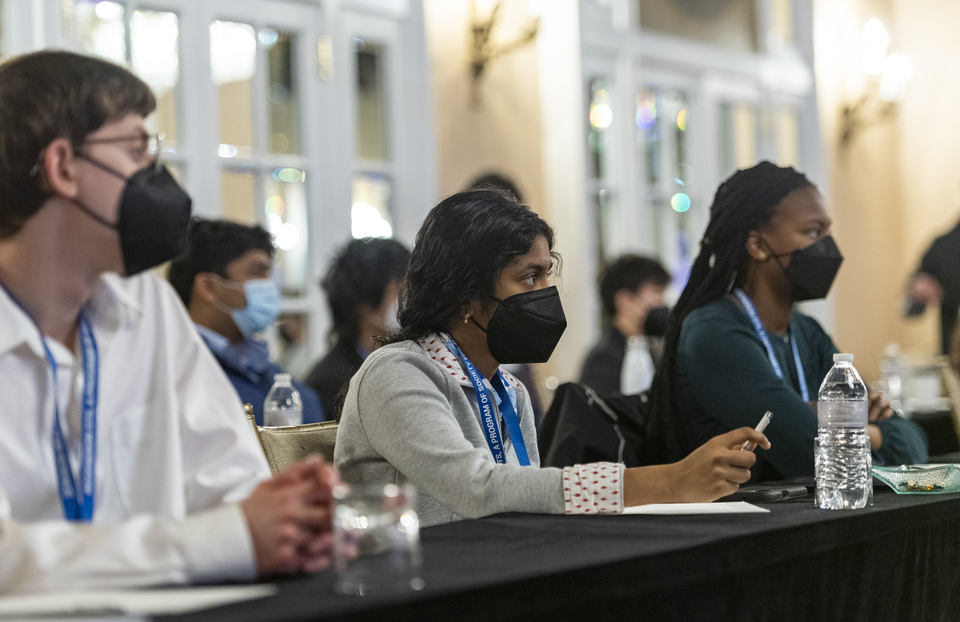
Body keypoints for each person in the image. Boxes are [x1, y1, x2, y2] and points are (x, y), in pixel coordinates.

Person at [0, 50, 336, 593]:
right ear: (62, 167)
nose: (156, 174)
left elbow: (231, 484)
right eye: (136, 150)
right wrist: (218, 541)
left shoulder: (150, 310)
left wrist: (291, 519)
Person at [334, 189, 769, 527]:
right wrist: (669, 481)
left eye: (547, 273)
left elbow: (524, 506)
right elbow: (477, 489)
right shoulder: (397, 372)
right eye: (529, 277)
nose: (546, 293)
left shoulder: (510, 391)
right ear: (466, 294)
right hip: (403, 590)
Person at [651, 161, 928, 483]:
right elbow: (815, 456)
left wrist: (846, 427)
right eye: (813, 232)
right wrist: (857, 428)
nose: (828, 248)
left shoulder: (806, 332)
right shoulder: (714, 334)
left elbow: (915, 442)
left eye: (827, 232)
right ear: (757, 245)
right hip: (740, 526)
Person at [169, 218, 325, 425]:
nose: (270, 286)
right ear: (209, 287)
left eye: (269, 273)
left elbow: (308, 411)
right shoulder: (174, 368)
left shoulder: (258, 363)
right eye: (256, 273)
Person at [305, 237, 410, 418]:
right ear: (364, 302)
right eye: (400, 289)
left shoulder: (412, 359)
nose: (408, 299)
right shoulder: (330, 383)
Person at [580, 254, 671, 396]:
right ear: (625, 300)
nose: (663, 303)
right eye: (657, 293)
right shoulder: (604, 360)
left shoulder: (651, 348)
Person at [906, 219, 960, 354]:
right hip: (953, 345)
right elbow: (910, 303)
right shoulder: (943, 245)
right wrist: (919, 290)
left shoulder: (942, 243)